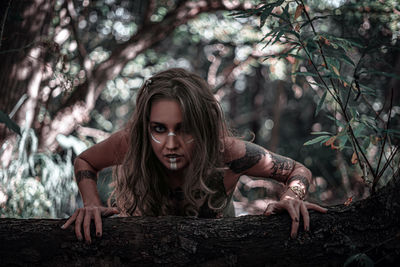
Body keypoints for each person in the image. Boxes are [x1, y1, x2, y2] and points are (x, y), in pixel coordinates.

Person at [61, 68, 327, 243]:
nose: (171, 143)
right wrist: (91, 204)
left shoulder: (227, 152)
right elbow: (84, 160)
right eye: (159, 129)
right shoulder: (133, 142)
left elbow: (298, 170)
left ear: (202, 127)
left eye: (184, 128)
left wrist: (292, 197)